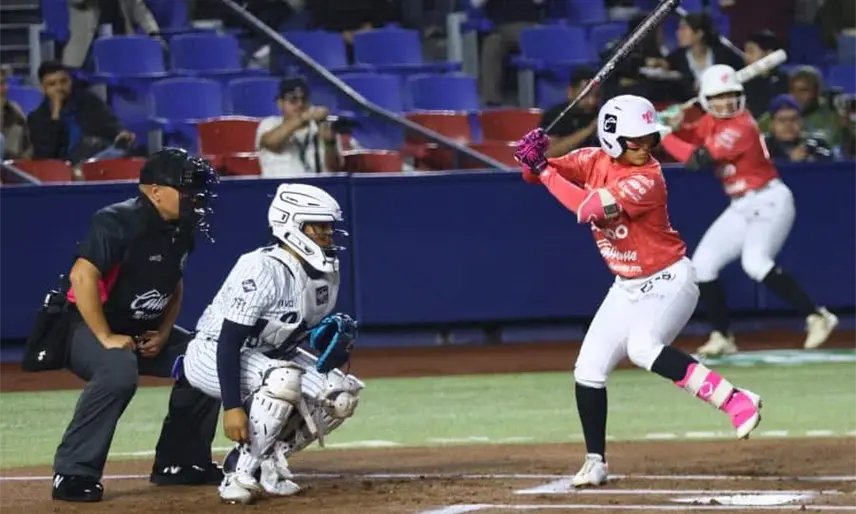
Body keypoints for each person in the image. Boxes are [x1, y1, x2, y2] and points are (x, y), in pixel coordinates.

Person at [513, 95, 763, 488]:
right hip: (626, 286)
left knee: (643, 346)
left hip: (669, 280)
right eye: (636, 140)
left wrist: (543, 170)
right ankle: (595, 462)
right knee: (588, 369)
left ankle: (735, 400)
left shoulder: (648, 178)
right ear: (612, 138)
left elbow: (587, 209)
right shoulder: (591, 159)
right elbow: (536, 176)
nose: (645, 146)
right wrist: (531, 159)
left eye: (649, 138)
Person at [47, 148, 222, 502]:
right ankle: (72, 473)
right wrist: (106, 336)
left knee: (206, 358)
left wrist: (163, 331)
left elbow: (174, 284)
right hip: (82, 326)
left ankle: (180, 462)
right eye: (186, 190)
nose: (195, 198)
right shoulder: (117, 221)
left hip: (140, 331)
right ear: (155, 190)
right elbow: (82, 276)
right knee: (118, 369)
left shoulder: (180, 229)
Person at [181, 183, 364, 505]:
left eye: (329, 227)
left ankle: (269, 461)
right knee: (283, 379)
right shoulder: (261, 267)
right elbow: (229, 340)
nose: (326, 234)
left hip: (268, 357)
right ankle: (239, 473)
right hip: (211, 353)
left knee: (340, 395)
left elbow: (290, 336)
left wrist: (330, 348)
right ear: (291, 225)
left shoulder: (324, 272)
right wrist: (233, 407)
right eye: (317, 225)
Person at [658, 65, 838, 357]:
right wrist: (674, 121)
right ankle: (722, 336)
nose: (727, 102)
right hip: (741, 204)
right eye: (719, 97)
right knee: (702, 265)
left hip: (769, 199)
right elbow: (693, 132)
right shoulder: (711, 121)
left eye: (732, 96)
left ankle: (817, 315)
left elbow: (697, 159)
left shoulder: (741, 125)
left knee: (755, 262)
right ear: (706, 99)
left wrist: (664, 134)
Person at [27, 61, 135, 164]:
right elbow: (48, 157)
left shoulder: (88, 101)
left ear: (70, 81)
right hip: (62, 170)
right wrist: (55, 114)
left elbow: (110, 123)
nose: (59, 88)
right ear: (43, 89)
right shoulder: (36, 118)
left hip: (96, 159)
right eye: (52, 84)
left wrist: (120, 133)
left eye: (63, 81)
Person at [256, 76, 341, 177]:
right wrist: (302, 118)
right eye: (293, 99)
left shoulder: (322, 126)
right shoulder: (269, 124)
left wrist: (330, 144)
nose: (300, 104)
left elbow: (335, 168)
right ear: (280, 103)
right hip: (279, 189)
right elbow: (272, 144)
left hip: (316, 189)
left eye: (304, 99)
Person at [666, 13, 743, 92]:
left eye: (684, 29)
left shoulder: (725, 56)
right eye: (679, 29)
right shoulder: (675, 59)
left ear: (699, 33)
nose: (678, 33)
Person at [540, 67, 600, 158]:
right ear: (570, 92)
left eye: (596, 95)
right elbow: (549, 153)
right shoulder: (555, 115)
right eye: (586, 95)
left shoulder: (600, 114)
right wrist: (589, 130)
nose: (592, 101)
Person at [764, 94, 835, 163]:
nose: (788, 125)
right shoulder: (761, 147)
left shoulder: (816, 145)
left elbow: (833, 166)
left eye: (793, 119)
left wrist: (813, 164)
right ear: (772, 125)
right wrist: (788, 160)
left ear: (801, 123)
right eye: (782, 120)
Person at [741, 31, 789, 119]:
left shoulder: (784, 82)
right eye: (745, 51)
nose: (746, 56)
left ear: (769, 54)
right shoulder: (742, 83)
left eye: (751, 51)